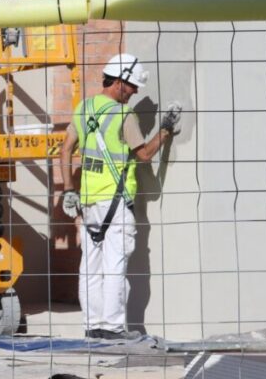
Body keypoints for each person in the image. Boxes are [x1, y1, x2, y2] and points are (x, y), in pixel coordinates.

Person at [59, 53, 181, 340]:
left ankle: (93, 326)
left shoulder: (84, 108)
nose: (136, 91)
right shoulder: (124, 115)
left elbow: (65, 150)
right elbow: (145, 155)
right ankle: (113, 328)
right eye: (133, 86)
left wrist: (68, 190)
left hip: (88, 204)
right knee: (115, 265)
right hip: (115, 204)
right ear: (119, 82)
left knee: (90, 267)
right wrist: (165, 129)